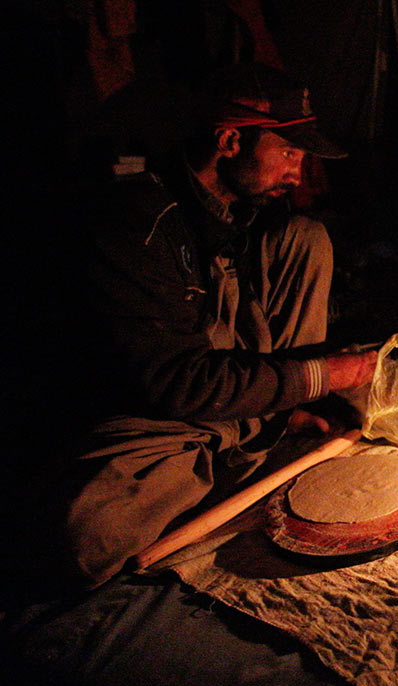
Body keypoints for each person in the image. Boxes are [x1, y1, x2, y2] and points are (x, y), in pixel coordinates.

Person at [56, 64, 377, 588]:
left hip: (215, 385)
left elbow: (233, 322)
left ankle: (266, 418)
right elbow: (179, 384)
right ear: (230, 140)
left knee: (305, 236)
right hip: (156, 410)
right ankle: (245, 433)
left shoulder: (233, 207)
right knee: (90, 537)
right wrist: (331, 374)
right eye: (289, 153)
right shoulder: (139, 224)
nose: (298, 173)